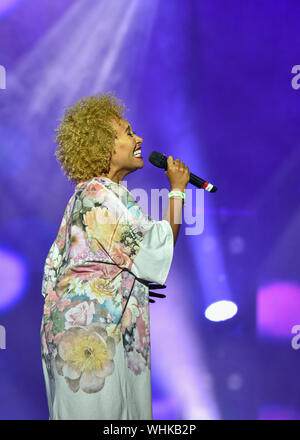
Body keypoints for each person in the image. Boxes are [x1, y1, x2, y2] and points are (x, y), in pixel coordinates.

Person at [40, 92, 190, 420]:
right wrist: (177, 190)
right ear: (104, 146)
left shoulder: (94, 195)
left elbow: (77, 267)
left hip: (85, 329)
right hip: (87, 338)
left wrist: (128, 281)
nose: (139, 139)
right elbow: (156, 247)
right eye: (128, 133)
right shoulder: (98, 196)